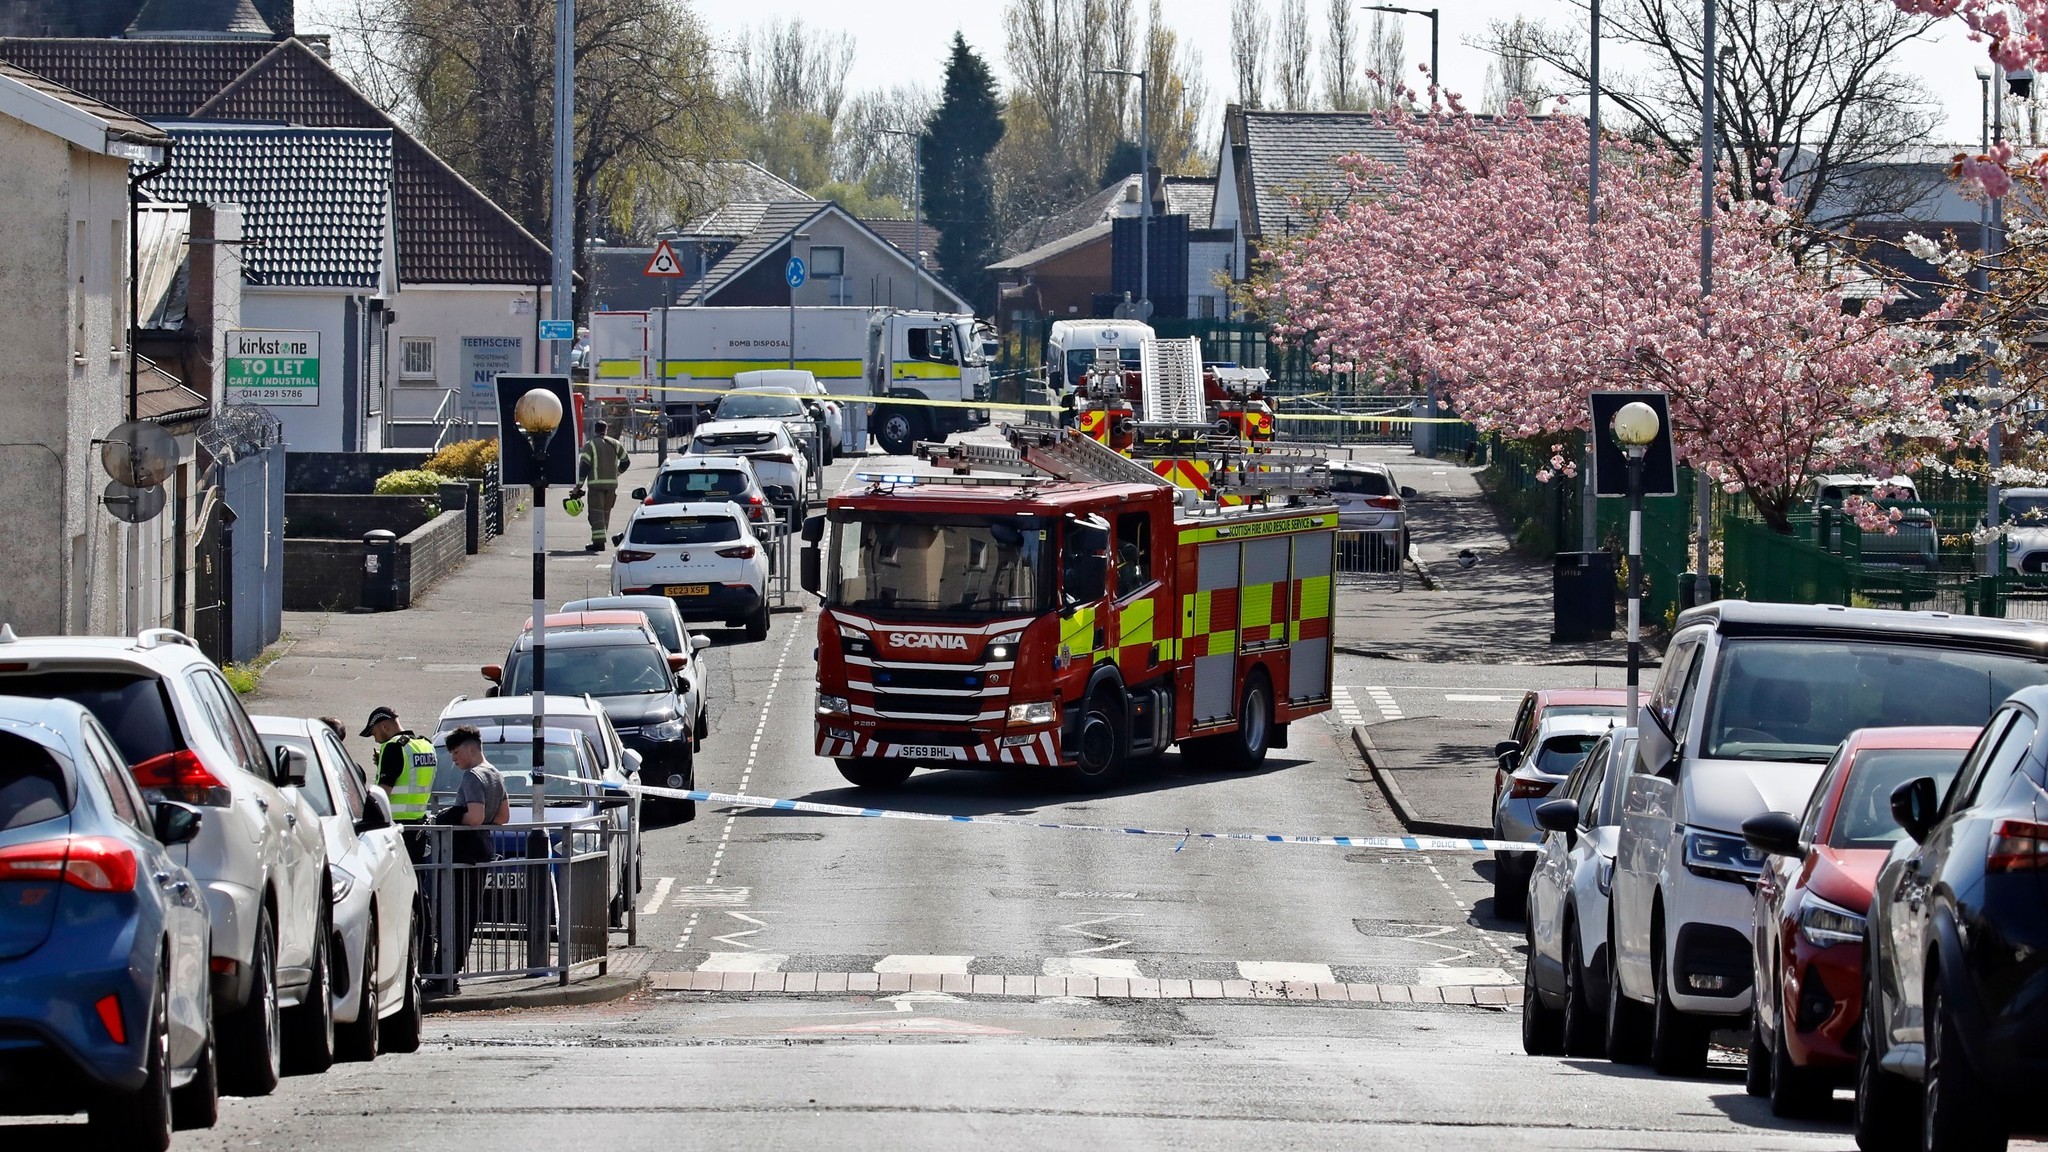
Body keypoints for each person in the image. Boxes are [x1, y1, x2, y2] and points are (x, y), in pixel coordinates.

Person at [438, 725, 509, 993]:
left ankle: (445, 972)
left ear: (471, 748)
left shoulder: (472, 776)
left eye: (456, 753)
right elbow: (503, 817)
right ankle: (451, 970)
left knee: (452, 913)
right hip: (483, 850)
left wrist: (452, 816)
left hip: (463, 852)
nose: (454, 760)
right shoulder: (496, 774)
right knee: (467, 916)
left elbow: (475, 817)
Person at [361, 706, 437, 865]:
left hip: (396, 829)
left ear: (385, 726)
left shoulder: (394, 747)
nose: (375, 739)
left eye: (374, 733)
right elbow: (409, 778)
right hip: (419, 826)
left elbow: (383, 793)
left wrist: (365, 817)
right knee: (417, 880)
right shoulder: (426, 745)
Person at [572, 420, 632, 553]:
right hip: (611, 485)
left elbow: (584, 467)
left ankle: (599, 543)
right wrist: (616, 473)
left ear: (595, 430)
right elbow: (626, 462)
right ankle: (600, 539)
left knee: (596, 514)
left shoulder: (590, 445)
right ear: (605, 430)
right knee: (605, 513)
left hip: (596, 485)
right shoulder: (615, 444)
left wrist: (578, 486)